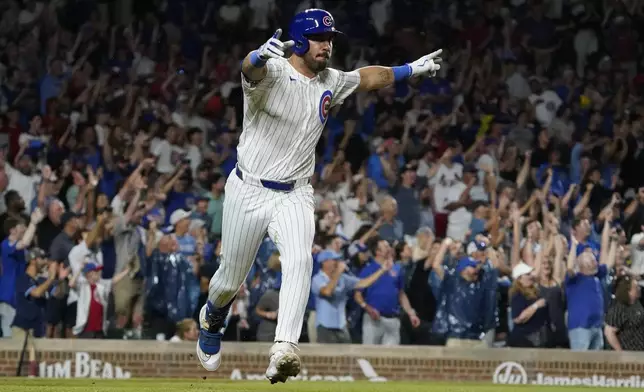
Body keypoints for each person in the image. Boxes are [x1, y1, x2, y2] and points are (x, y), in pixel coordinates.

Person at [196, 8, 442, 384]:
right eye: (318, 38)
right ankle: (214, 314)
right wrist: (256, 56)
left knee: (299, 261)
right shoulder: (273, 70)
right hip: (248, 189)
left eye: (329, 39)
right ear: (296, 40)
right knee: (230, 279)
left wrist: (411, 68)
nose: (326, 45)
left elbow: (368, 77)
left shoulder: (330, 79)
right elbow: (249, 71)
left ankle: (284, 348)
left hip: (295, 193)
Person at [507, 263, 550, 348]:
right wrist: (536, 306)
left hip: (539, 338)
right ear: (519, 278)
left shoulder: (535, 291)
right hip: (524, 340)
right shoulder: (517, 294)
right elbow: (518, 319)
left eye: (530, 273)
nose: (531, 276)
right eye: (527, 274)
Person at [604, 275, 644, 351]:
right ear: (628, 291)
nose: (639, 289)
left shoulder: (637, 303)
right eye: (636, 287)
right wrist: (620, 352)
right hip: (628, 353)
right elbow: (609, 332)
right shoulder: (618, 308)